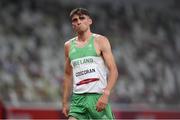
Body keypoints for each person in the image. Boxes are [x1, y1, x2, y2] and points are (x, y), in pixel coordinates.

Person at [62, 7, 118, 119]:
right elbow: (68, 74)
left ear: (89, 21)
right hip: (78, 100)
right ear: (72, 24)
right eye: (75, 20)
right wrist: (64, 102)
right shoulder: (68, 46)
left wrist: (106, 94)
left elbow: (114, 70)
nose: (78, 21)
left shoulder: (100, 41)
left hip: (97, 98)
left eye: (82, 18)